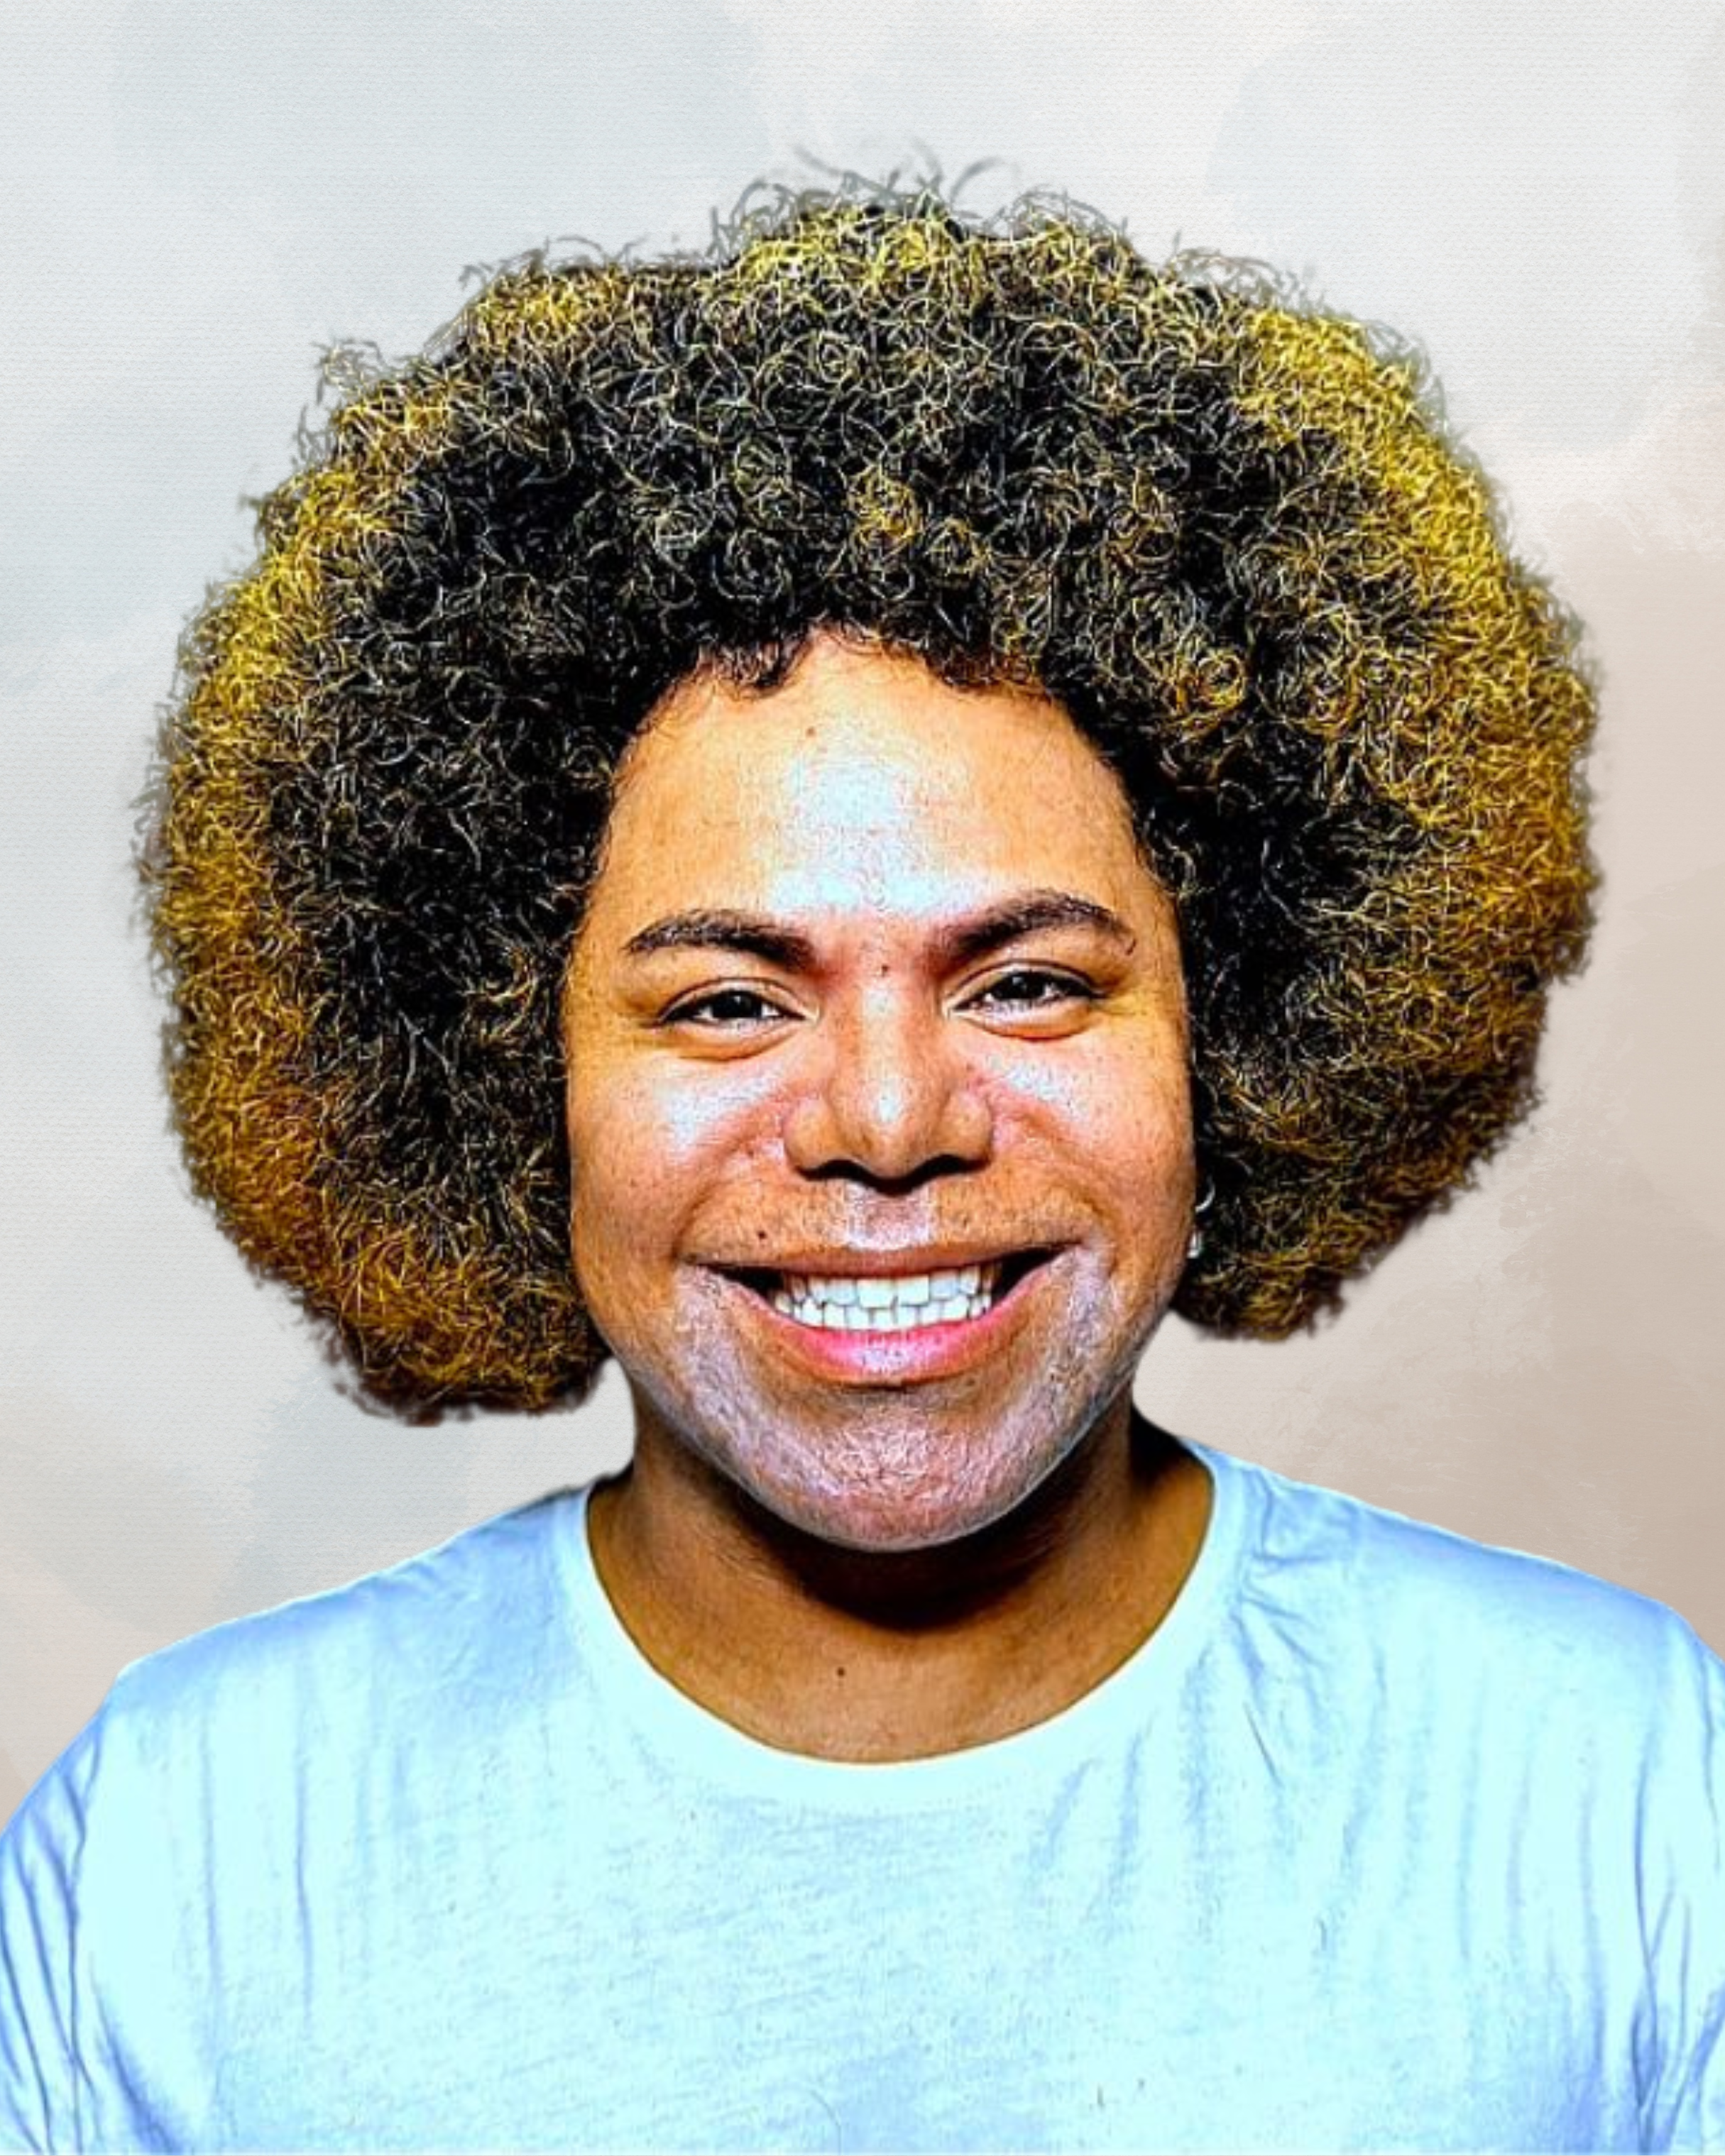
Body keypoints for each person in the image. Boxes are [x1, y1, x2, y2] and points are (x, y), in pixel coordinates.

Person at [1, 180, 1719, 2153]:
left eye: (1026, 978)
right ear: (497, 1062)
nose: (887, 1125)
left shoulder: (1620, 1794)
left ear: (1234, 1019)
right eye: (730, 1002)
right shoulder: (185, 1859)